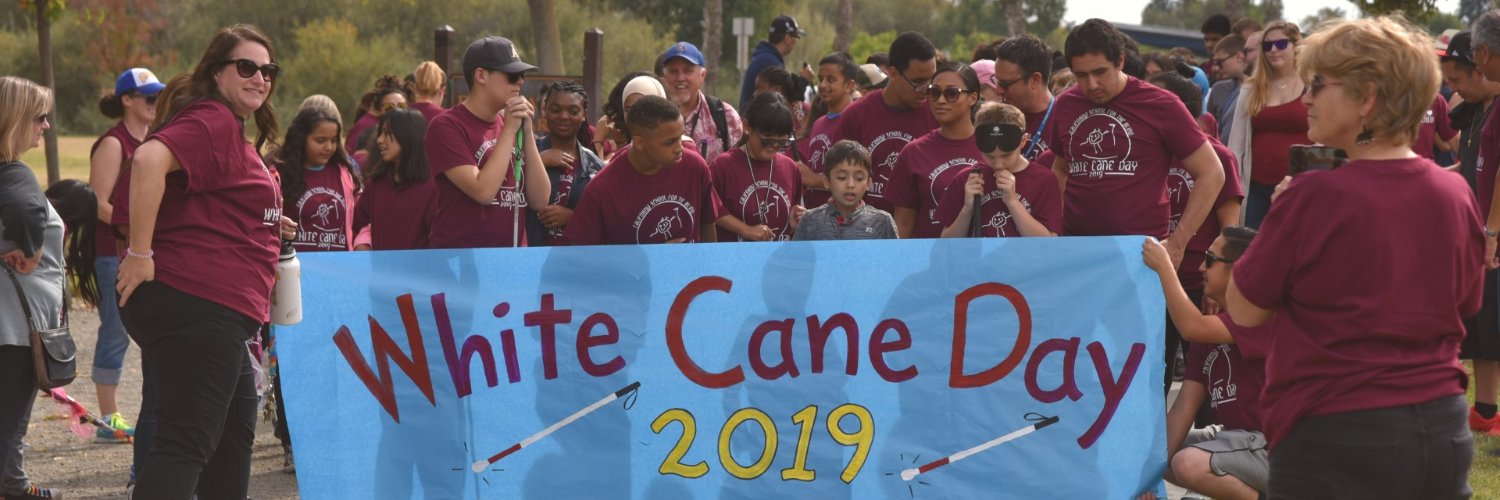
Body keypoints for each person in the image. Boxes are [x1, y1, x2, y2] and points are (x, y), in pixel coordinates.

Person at [1226, 17, 1480, 497]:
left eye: (1318, 85)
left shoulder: (1313, 196)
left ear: (1367, 98)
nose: (1306, 97)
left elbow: (1243, 307)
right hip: (1441, 425)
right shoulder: (1455, 191)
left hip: (1335, 431)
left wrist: (1281, 216)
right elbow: (1465, 305)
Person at [113, 24, 293, 499]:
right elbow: (149, 160)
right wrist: (140, 253)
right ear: (217, 73)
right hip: (198, 302)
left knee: (233, 436)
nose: (260, 77)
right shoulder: (212, 119)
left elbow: (208, 202)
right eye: (247, 67)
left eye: (267, 69)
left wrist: (267, 221)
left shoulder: (228, 129)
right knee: (185, 445)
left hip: (215, 312)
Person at [1142, 227, 1267, 500]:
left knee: (1187, 463)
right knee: (1152, 453)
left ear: (1239, 269)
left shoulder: (1261, 315)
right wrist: (1148, 480)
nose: (1200, 267)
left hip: (1278, 448)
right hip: (1239, 440)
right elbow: (1183, 407)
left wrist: (1166, 267)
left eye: (1209, 259)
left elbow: (1190, 327)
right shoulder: (1208, 332)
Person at [87, 67, 164, 444]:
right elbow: (98, 203)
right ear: (127, 100)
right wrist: (137, 227)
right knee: (116, 330)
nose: (155, 103)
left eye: (158, 97)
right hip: (111, 254)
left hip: (141, 249)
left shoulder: (155, 141)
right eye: (149, 97)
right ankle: (108, 417)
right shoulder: (114, 143)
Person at [0, 76, 63, 500]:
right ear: (15, 118)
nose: (45, 126)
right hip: (15, 329)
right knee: (8, 422)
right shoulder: (15, 171)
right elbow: (25, 207)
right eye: (40, 117)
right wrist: (32, 246)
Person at [425, 36, 549, 249]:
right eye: (512, 75)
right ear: (481, 75)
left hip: (510, 261)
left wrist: (527, 134)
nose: (520, 81)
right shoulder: (445, 126)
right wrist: (509, 130)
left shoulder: (509, 123)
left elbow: (540, 200)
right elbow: (483, 191)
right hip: (461, 262)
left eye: (522, 75)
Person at [565, 95, 721, 245]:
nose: (679, 148)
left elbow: (707, 223)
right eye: (670, 142)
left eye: (680, 137)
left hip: (692, 272)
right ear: (639, 142)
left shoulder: (695, 166)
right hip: (629, 273)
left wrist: (710, 266)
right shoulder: (601, 189)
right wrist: (652, 257)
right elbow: (581, 253)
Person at [831, 31, 940, 213]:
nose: (926, 90)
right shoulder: (855, 115)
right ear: (893, 73)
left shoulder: (938, 113)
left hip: (922, 234)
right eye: (918, 82)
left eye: (931, 81)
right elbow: (838, 179)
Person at [1227, 20, 1308, 229]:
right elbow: (1236, 144)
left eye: (1281, 44)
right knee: (1251, 246)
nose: (1273, 50)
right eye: (1267, 45)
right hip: (1255, 185)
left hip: (1300, 186)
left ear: (1296, 46)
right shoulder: (1251, 88)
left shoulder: (1313, 85)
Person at [888, 61, 984, 238]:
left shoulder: (992, 147)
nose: (941, 100)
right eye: (934, 92)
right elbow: (903, 223)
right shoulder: (913, 152)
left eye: (952, 93)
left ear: (973, 98)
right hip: (929, 260)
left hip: (985, 260)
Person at [936, 102, 1061, 238]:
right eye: (989, 156)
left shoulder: (1044, 179)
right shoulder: (966, 179)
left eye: (1006, 155)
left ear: (1023, 141)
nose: (998, 164)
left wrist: (1013, 202)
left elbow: (1049, 242)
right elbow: (946, 242)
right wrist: (967, 208)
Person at [710, 92, 803, 242]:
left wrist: (797, 219)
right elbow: (711, 209)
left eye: (781, 142)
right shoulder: (723, 166)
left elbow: (793, 210)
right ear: (747, 127)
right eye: (767, 140)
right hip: (735, 259)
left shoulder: (790, 168)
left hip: (777, 258)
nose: (773, 147)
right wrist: (745, 230)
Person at [528, 81, 605, 246]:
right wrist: (540, 160)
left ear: (584, 115)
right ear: (545, 111)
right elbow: (507, 194)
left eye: (573, 111)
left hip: (577, 261)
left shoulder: (595, 166)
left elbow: (606, 218)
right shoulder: (527, 153)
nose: (563, 116)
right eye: (556, 110)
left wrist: (573, 216)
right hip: (531, 257)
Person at [276, 106, 361, 252]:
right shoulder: (279, 174)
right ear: (301, 139)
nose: (329, 147)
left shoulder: (344, 174)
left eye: (334, 140)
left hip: (338, 266)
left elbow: (361, 219)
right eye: (320, 140)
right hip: (295, 267)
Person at [353, 109, 436, 251]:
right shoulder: (377, 182)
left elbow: (439, 238)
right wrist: (364, 240)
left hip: (420, 272)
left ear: (407, 136)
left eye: (386, 133)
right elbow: (360, 221)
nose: (379, 140)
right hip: (381, 272)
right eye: (380, 133)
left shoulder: (433, 186)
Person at [792, 140, 898, 241]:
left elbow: (896, 258)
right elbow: (796, 258)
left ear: (868, 184)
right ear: (827, 181)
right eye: (842, 177)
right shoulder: (810, 219)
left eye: (859, 178)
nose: (850, 185)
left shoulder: (883, 221)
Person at [661, 41, 744, 162]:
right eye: (673, 71)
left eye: (688, 71)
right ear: (664, 77)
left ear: (702, 75)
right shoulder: (653, 117)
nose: (680, 78)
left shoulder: (725, 115)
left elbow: (738, 167)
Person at [799, 52, 861, 210]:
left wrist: (813, 180)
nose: (823, 85)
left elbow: (857, 179)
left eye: (831, 80)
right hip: (816, 216)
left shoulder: (856, 122)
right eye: (820, 79)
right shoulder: (819, 123)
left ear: (849, 85)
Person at [993, 34, 1057, 163]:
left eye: (1005, 84)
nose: (998, 90)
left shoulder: (1066, 121)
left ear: (1035, 80)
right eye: (997, 82)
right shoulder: (994, 120)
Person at [739, 15, 806, 110]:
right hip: (757, 122)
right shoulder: (770, 62)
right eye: (796, 36)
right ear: (787, 38)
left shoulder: (765, 57)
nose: (795, 41)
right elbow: (784, 99)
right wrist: (803, 81)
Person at [596, 72, 665, 161]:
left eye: (644, 109)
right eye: (628, 110)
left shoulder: (679, 150)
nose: (636, 117)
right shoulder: (622, 155)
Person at [347, 75, 407, 158]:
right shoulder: (368, 126)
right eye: (389, 107)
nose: (396, 111)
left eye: (402, 106)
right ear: (379, 109)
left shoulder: (405, 130)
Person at [1206, 35, 1248, 140]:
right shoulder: (1218, 89)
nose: (1215, 68)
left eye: (1220, 62)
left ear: (1239, 57)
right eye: (1214, 63)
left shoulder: (1262, 88)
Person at [1201, 14, 1232, 79]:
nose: (1208, 45)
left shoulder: (1235, 72)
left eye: (1214, 39)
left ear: (1227, 38)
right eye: (1206, 40)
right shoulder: (1202, 69)